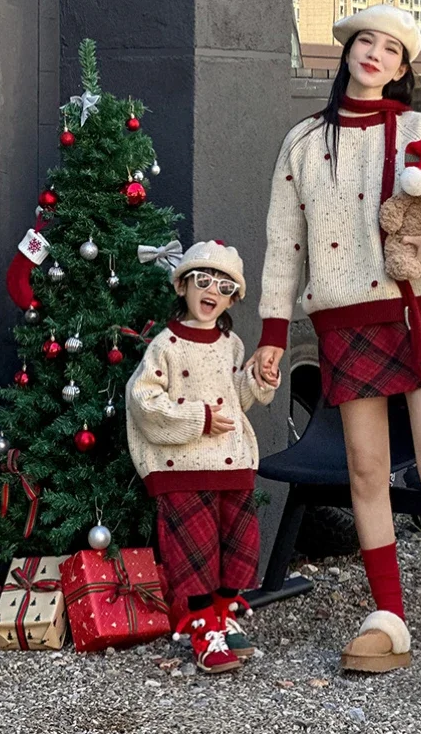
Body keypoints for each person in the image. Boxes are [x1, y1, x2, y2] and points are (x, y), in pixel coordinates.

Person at [248, 5, 421, 689]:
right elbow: (284, 246)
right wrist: (273, 336)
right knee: (365, 469)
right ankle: (387, 618)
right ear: (347, 53)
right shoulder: (303, 142)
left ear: (402, 68)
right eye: (366, 40)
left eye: (390, 48)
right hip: (346, 320)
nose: (374, 53)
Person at [126, 240, 278, 674]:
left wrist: (258, 379)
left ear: (233, 298)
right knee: (193, 549)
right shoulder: (166, 345)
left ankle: (222, 615)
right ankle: (200, 626)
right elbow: (143, 399)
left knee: (237, 544)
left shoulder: (231, 344)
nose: (213, 291)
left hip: (230, 462)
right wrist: (198, 417)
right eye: (204, 281)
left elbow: (236, 400)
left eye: (225, 286)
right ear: (183, 286)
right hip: (184, 466)